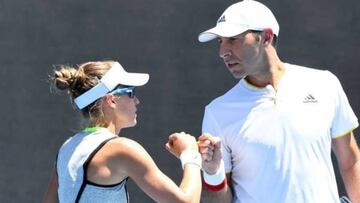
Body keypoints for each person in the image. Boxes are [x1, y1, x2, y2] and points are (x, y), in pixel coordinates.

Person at [196, 0, 360, 203]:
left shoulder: (325, 84)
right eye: (220, 41)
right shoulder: (217, 112)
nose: (223, 52)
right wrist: (212, 173)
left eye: (233, 39)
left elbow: (351, 161)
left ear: (266, 37)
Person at [42, 60, 202, 203]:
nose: (137, 101)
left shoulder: (66, 148)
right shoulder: (123, 149)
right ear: (111, 100)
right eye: (131, 93)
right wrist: (190, 154)